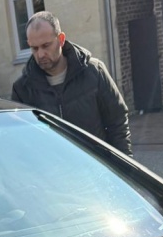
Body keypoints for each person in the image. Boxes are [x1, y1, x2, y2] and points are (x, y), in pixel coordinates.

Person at [11, 11, 131, 155]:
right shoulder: (22, 89)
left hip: (95, 165)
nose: (40, 54)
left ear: (61, 39)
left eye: (46, 45)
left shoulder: (94, 71)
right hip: (53, 168)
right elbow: (23, 141)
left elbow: (117, 123)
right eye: (34, 48)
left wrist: (124, 164)